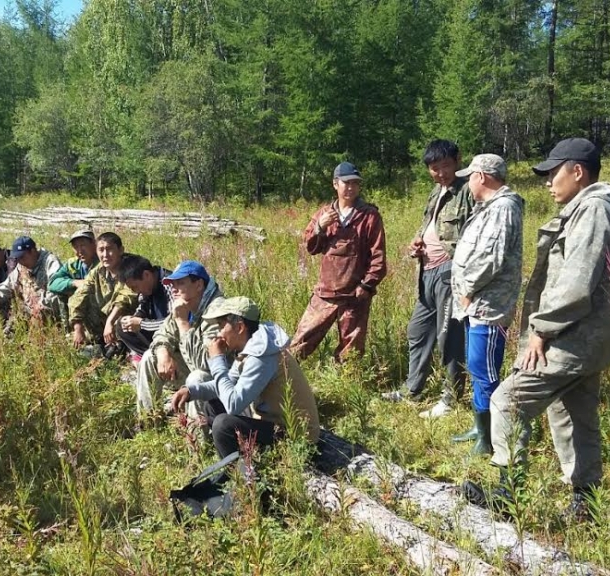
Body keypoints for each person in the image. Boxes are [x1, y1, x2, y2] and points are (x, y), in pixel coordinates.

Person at [462, 138, 610, 523]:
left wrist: (540, 331)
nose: (547, 182)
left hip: (575, 336)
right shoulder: (591, 210)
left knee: (509, 399)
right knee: (573, 412)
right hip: (589, 337)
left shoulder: (593, 211)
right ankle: (585, 504)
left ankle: (508, 493)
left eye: (553, 172)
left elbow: (575, 282)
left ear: (578, 171)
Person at [384, 140, 473, 419]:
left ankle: (451, 397)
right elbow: (429, 227)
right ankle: (413, 389)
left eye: (445, 166)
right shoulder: (437, 192)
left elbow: (475, 232)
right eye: (434, 169)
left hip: (450, 272)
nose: (440, 173)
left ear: (457, 160)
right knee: (418, 331)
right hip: (427, 272)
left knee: (449, 337)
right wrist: (417, 243)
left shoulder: (468, 189)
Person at [170, 297, 320, 459]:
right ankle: (247, 460)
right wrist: (191, 391)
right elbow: (227, 384)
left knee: (223, 425)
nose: (219, 333)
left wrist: (217, 360)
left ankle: (241, 477)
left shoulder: (261, 356)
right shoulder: (252, 347)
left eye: (221, 326)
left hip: (296, 436)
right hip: (274, 424)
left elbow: (233, 404)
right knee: (212, 405)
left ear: (240, 327)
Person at [448, 154, 524, 456]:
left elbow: (492, 256)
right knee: (476, 365)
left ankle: (490, 437)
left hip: (488, 305)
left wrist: (467, 288)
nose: (467, 183)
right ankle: (480, 427)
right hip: (475, 304)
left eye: (470, 176)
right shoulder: (489, 208)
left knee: (485, 369)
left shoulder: (503, 208)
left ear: (481, 177)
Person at [290, 162, 386, 362]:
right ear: (335, 184)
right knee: (301, 341)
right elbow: (311, 247)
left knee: (351, 349)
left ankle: (347, 387)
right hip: (326, 292)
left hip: (355, 295)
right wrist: (320, 227)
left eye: (355, 183)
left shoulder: (369, 216)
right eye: (346, 183)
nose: (351, 188)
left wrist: (366, 285)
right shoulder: (324, 214)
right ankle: (284, 377)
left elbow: (378, 256)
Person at [135, 260, 225, 416]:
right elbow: (163, 333)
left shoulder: (217, 310)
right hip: (192, 369)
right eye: (172, 284)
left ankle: (197, 433)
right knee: (150, 356)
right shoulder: (185, 304)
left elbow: (204, 364)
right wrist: (163, 352)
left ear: (198, 285)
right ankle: (148, 419)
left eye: (180, 283)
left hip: (219, 382)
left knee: (197, 377)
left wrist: (183, 323)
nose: (174, 289)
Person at [68, 232, 137, 357]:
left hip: (127, 318)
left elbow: (126, 297)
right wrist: (77, 327)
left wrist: (110, 322)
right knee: (84, 304)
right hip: (104, 321)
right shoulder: (98, 271)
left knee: (122, 321)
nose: (105, 255)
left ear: (120, 250)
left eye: (109, 249)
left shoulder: (131, 267)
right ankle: (97, 343)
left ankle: (120, 349)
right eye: (101, 250)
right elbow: (79, 295)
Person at [0, 236, 62, 327]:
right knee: (1, 305)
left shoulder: (50, 262)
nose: (20, 261)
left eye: (22, 257)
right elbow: (8, 284)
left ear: (33, 251)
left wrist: (40, 306)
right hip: (28, 311)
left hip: (47, 311)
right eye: (18, 258)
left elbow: (57, 290)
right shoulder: (21, 266)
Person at [116, 255, 172, 361]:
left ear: (146, 275)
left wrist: (142, 323)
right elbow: (142, 307)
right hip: (157, 331)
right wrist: (134, 319)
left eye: (135, 287)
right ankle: (148, 356)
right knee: (121, 326)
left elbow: (176, 322)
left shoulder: (169, 284)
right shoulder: (147, 288)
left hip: (173, 334)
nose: (135, 291)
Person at [49, 229, 99, 326]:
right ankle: (69, 328)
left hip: (99, 305)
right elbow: (52, 283)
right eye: (75, 247)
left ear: (94, 244)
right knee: (63, 292)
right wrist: (74, 282)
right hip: (80, 308)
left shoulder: (103, 262)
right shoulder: (73, 264)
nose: (80, 251)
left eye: (83, 245)